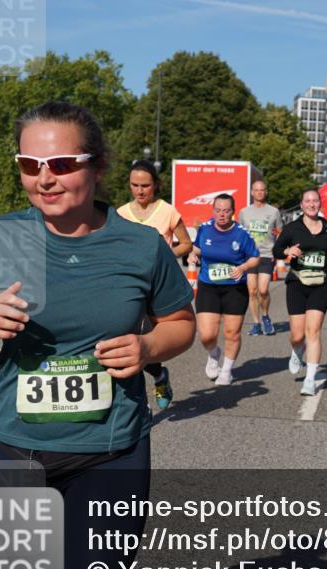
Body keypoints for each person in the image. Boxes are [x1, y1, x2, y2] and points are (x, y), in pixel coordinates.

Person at [0, 101, 196, 569]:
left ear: (98, 166)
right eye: (29, 165)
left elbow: (181, 324)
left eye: (61, 164)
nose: (44, 179)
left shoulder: (140, 245)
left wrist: (148, 349)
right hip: (17, 451)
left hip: (110, 454)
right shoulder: (2, 237)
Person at [116, 160, 193, 410]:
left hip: (157, 286)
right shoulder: (120, 214)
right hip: (128, 284)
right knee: (128, 337)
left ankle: (159, 376)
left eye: (145, 185)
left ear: (155, 185)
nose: (140, 191)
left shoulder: (167, 211)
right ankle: (142, 404)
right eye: (135, 185)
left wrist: (166, 253)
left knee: (146, 339)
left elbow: (186, 243)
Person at [273, 189, 327, 396]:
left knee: (313, 332)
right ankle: (297, 351)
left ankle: (310, 379)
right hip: (297, 283)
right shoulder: (292, 228)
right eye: (308, 201)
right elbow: (277, 250)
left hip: (319, 285)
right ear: (302, 205)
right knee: (297, 335)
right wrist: (288, 251)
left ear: (320, 204)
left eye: (315, 201)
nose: (312, 204)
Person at [190, 194, 260, 386]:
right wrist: (193, 256)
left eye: (226, 211)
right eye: (218, 210)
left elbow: (255, 258)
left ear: (233, 212)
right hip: (208, 286)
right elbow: (197, 249)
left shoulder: (241, 233)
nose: (222, 215)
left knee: (232, 332)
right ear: (213, 210)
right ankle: (214, 353)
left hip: (235, 289)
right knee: (207, 335)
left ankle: (227, 370)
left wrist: (243, 268)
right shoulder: (204, 229)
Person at [237, 179, 283, 337]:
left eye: (262, 190)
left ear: (266, 192)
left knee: (263, 290)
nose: (259, 193)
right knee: (252, 291)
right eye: (256, 190)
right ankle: (256, 323)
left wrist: (278, 252)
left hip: (267, 254)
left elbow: (281, 233)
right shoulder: (244, 212)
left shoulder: (274, 212)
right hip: (249, 256)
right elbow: (240, 234)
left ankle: (266, 316)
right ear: (252, 192)